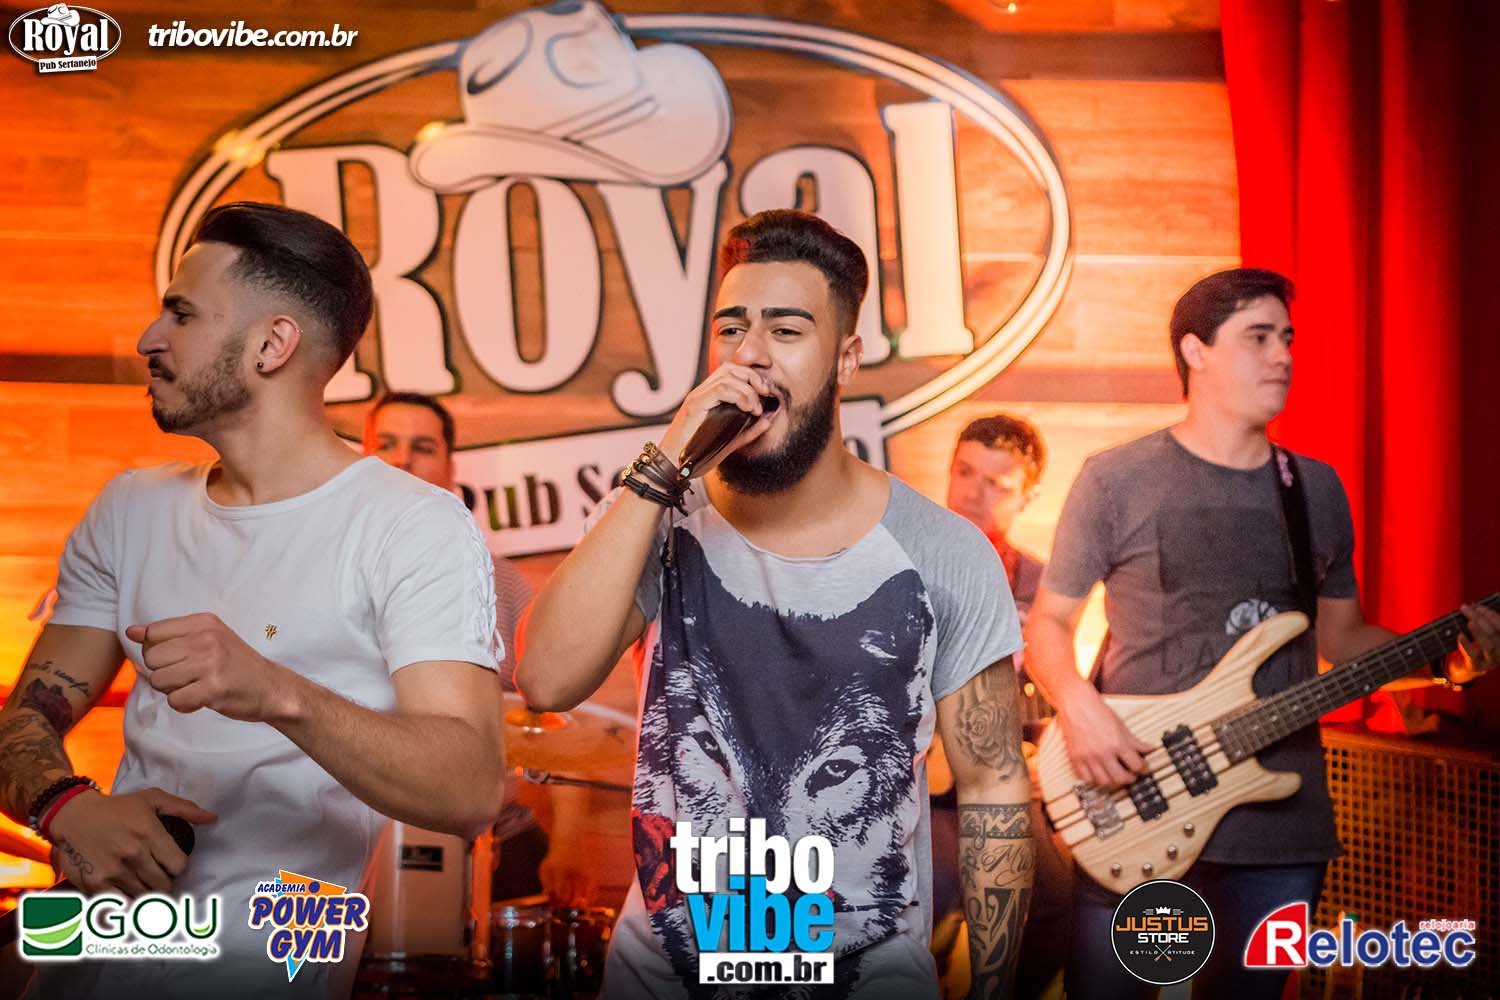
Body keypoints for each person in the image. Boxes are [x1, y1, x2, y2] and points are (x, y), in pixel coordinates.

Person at [518, 209, 1032, 1000]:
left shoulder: (942, 552)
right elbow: (546, 680)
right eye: (732, 330)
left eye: (787, 331)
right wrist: (665, 463)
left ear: (847, 358)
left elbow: (993, 785)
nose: (751, 355)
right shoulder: (654, 515)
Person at [0, 202, 507, 999]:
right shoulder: (131, 508)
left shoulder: (413, 525)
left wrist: (275, 689)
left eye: (181, 314)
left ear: (273, 344)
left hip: (273, 963)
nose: (149, 339)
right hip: (95, 954)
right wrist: (66, 806)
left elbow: (470, 788)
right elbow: (22, 723)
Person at [1023, 267, 1500, 999]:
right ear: (1195, 351)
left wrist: (1446, 663)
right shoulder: (1116, 479)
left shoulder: (1315, 489)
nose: (1282, 355)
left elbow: (1344, 640)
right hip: (1138, 807)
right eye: (1257, 337)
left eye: (1287, 338)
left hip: (1280, 836)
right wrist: (1081, 711)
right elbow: (1049, 624)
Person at [362, 391, 595, 906]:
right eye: (387, 444)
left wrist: (568, 844)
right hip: (350, 834)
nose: (403, 459)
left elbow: (564, 727)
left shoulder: (501, 585)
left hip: (492, 837)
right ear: (364, 458)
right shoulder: (324, 572)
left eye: (423, 447)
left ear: (450, 468)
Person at [934, 414, 1071, 999]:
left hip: (1000, 780)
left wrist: (1044, 754)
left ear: (1028, 497)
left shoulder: (1043, 585)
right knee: (931, 896)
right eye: (965, 472)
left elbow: (1050, 697)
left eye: (996, 483)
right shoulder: (902, 560)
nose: (974, 492)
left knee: (1059, 902)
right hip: (921, 784)